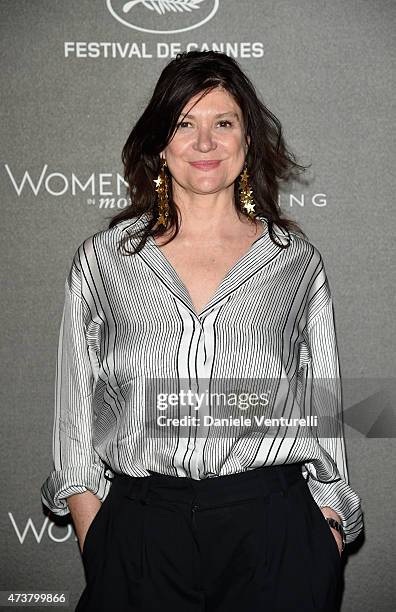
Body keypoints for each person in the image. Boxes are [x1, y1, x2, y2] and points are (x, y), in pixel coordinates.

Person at [40, 51, 364, 611]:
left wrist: (327, 529)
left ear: (247, 140)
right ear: (161, 144)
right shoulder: (104, 260)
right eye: (184, 123)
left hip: (274, 532)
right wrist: (100, 536)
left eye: (223, 123)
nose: (205, 142)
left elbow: (324, 407)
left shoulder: (295, 264)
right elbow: (76, 413)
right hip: (142, 533)